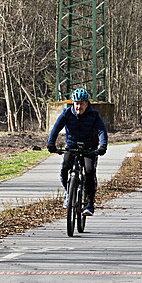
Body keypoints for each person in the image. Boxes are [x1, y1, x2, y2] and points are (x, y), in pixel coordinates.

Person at [47, 88, 108, 216]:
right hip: (72, 146)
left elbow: (102, 131)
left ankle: (89, 203)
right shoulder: (67, 114)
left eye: (81, 103)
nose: (78, 106)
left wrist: (102, 146)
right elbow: (55, 129)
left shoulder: (94, 115)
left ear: (87, 104)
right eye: (76, 103)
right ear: (73, 103)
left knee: (90, 172)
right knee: (64, 168)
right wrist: (51, 144)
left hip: (89, 148)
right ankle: (68, 192)